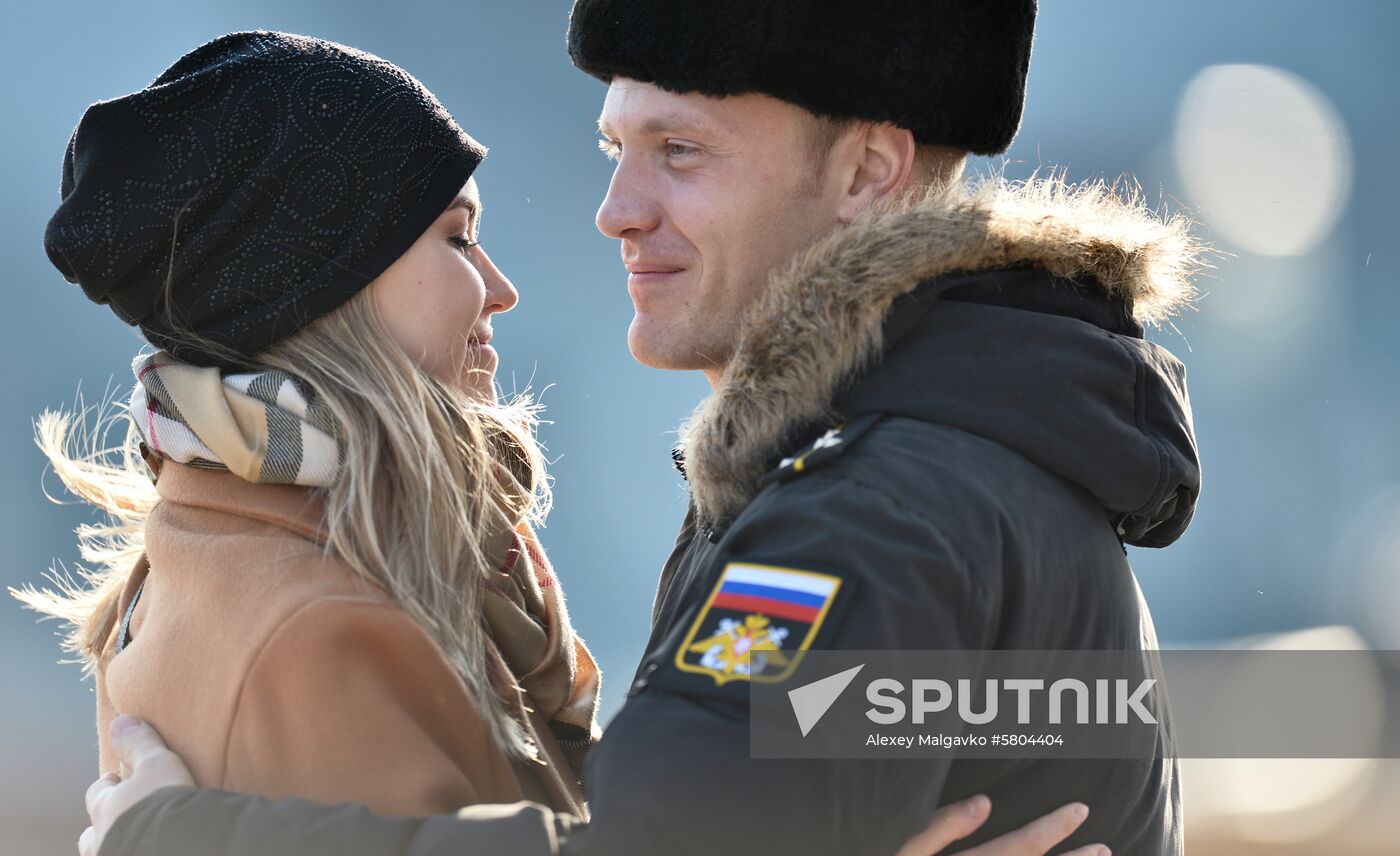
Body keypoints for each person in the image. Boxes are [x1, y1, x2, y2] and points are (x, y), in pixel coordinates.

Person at [83, 0, 1204, 852]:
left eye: (680, 151)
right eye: (613, 149)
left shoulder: (859, 515)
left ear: (866, 171)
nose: (615, 209)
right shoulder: (955, 444)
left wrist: (191, 836)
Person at [22, 27, 601, 827]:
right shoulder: (319, 633)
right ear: (323, 286)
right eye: (459, 237)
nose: (500, 289)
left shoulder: (248, 548)